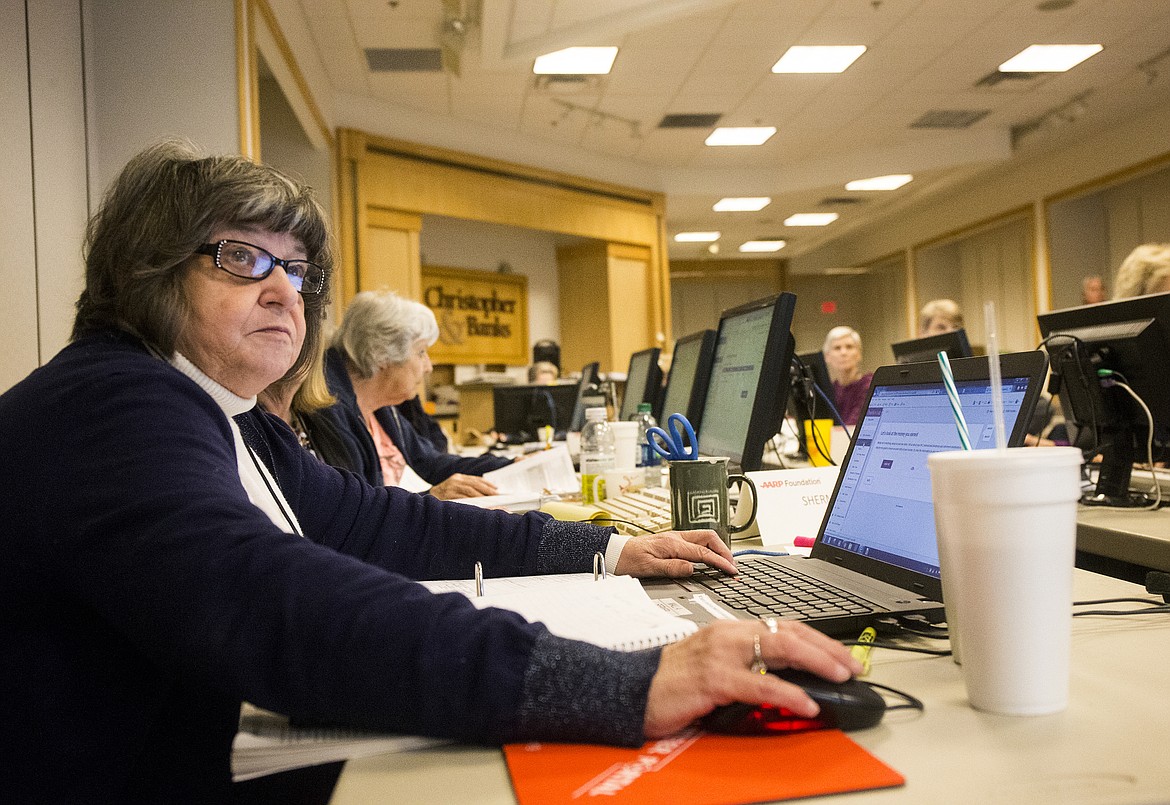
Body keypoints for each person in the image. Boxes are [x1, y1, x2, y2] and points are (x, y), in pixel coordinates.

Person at [0, 140, 861, 803]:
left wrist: (603, 553)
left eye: (295, 270)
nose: (284, 292)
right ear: (147, 271)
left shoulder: (222, 419)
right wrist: (628, 680)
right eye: (242, 258)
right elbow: (266, 597)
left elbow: (388, 523)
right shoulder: (112, 401)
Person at [325, 290, 512, 499]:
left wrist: (511, 465)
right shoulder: (333, 412)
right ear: (380, 354)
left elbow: (432, 463)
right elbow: (359, 512)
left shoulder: (382, 410)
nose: (428, 367)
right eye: (421, 352)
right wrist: (432, 497)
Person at [823, 326, 873, 427]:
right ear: (827, 356)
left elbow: (851, 427)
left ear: (859, 354)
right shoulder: (832, 388)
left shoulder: (868, 385)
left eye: (849, 347)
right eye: (837, 348)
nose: (843, 352)